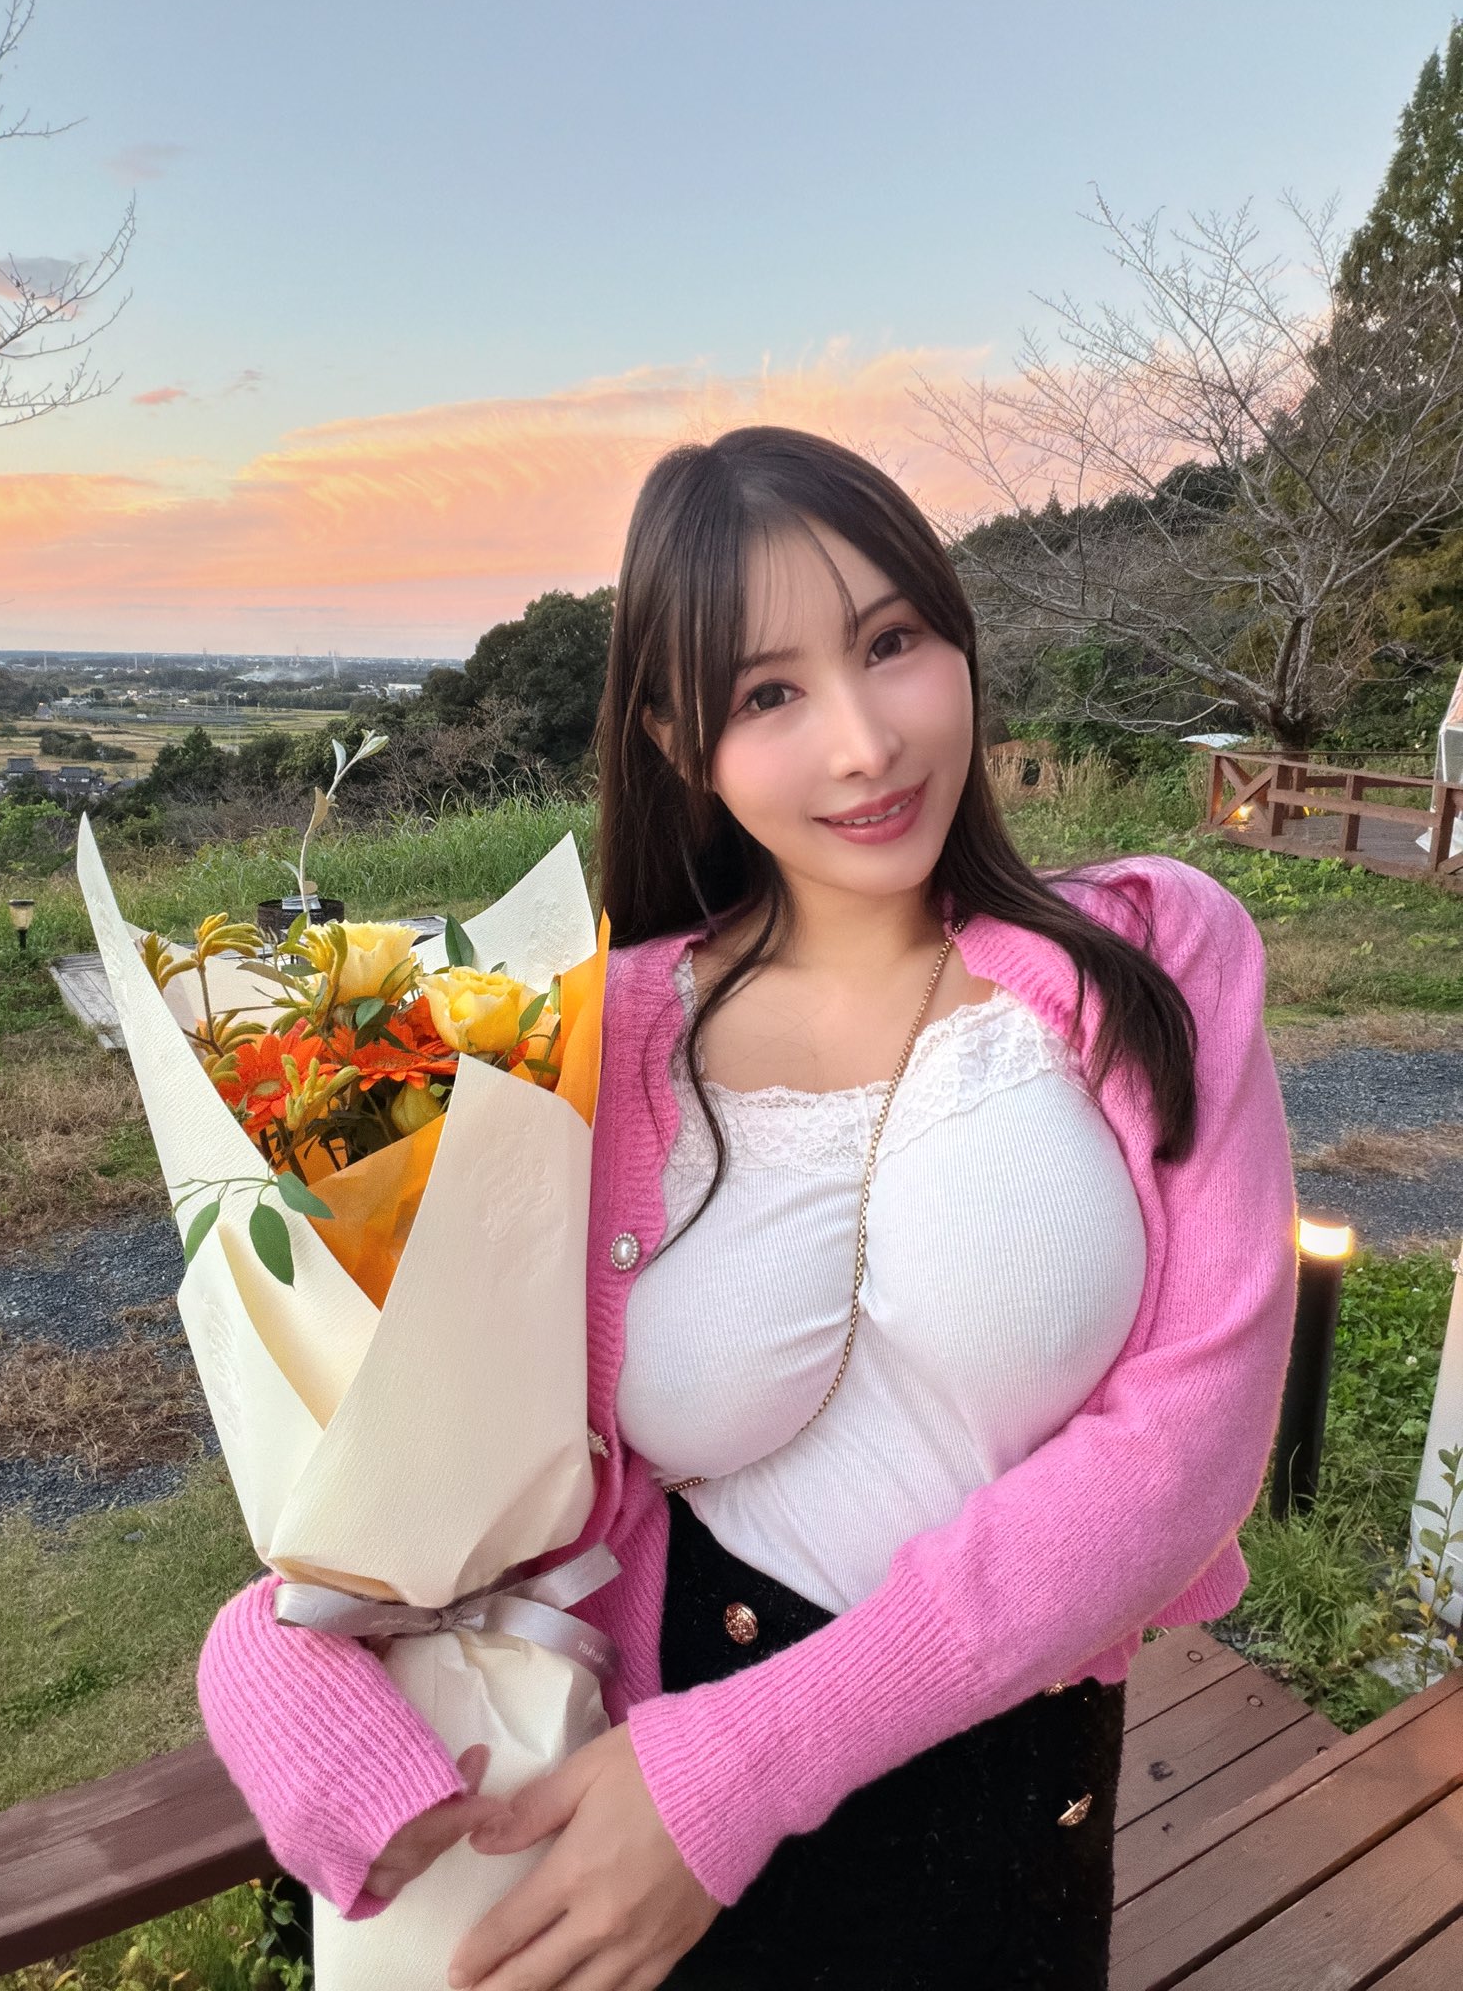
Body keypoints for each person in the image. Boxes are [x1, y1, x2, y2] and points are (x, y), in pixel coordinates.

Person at [197, 424, 1298, 1990]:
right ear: (676, 736)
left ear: (957, 638)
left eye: (891, 643)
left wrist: (745, 1763)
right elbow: (433, 1434)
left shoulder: (1155, 960)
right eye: (769, 694)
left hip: (972, 1804)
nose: (864, 743)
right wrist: (269, 1647)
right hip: (650, 1837)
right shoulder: (591, 1039)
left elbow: (1186, 1455)